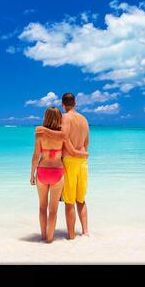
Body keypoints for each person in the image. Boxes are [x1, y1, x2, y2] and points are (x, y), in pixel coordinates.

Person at [30, 107, 88, 243]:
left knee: (42, 207)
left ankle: (43, 237)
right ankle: (50, 239)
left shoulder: (39, 134)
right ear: (58, 119)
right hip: (57, 172)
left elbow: (35, 156)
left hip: (42, 171)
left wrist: (32, 174)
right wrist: (84, 154)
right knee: (53, 210)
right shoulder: (62, 135)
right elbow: (71, 151)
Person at [60, 92, 90, 239]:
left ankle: (71, 237)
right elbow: (86, 143)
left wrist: (72, 152)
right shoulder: (84, 119)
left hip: (70, 161)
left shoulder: (65, 117)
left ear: (63, 104)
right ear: (75, 103)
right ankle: (85, 232)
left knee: (69, 201)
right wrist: (81, 153)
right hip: (83, 162)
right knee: (81, 199)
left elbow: (64, 138)